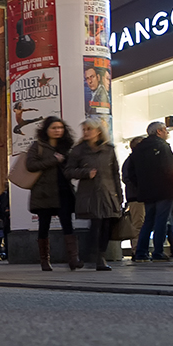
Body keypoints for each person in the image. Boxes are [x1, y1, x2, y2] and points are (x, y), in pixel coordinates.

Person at [66, 116, 124, 271]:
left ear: (98, 131)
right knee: (96, 224)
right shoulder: (78, 150)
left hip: (108, 193)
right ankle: (95, 257)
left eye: (89, 129)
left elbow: (115, 174)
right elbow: (68, 171)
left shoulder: (109, 149)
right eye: (84, 129)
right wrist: (85, 173)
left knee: (106, 226)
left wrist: (119, 195)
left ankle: (101, 256)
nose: (86, 132)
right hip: (90, 194)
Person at [25, 117, 81, 271]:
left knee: (68, 224)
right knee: (44, 225)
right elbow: (30, 165)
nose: (58, 130)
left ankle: (73, 259)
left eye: (60, 127)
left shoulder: (67, 146)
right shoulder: (38, 146)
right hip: (44, 192)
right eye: (54, 128)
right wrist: (53, 160)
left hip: (63, 191)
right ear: (46, 130)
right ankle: (44, 260)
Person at [128, 121, 173, 262]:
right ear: (158, 131)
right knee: (161, 221)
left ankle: (141, 252)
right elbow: (170, 168)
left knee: (148, 221)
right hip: (164, 189)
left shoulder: (138, 149)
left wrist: (140, 185)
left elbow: (130, 172)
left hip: (147, 191)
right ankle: (158, 252)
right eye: (164, 130)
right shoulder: (162, 146)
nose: (166, 132)